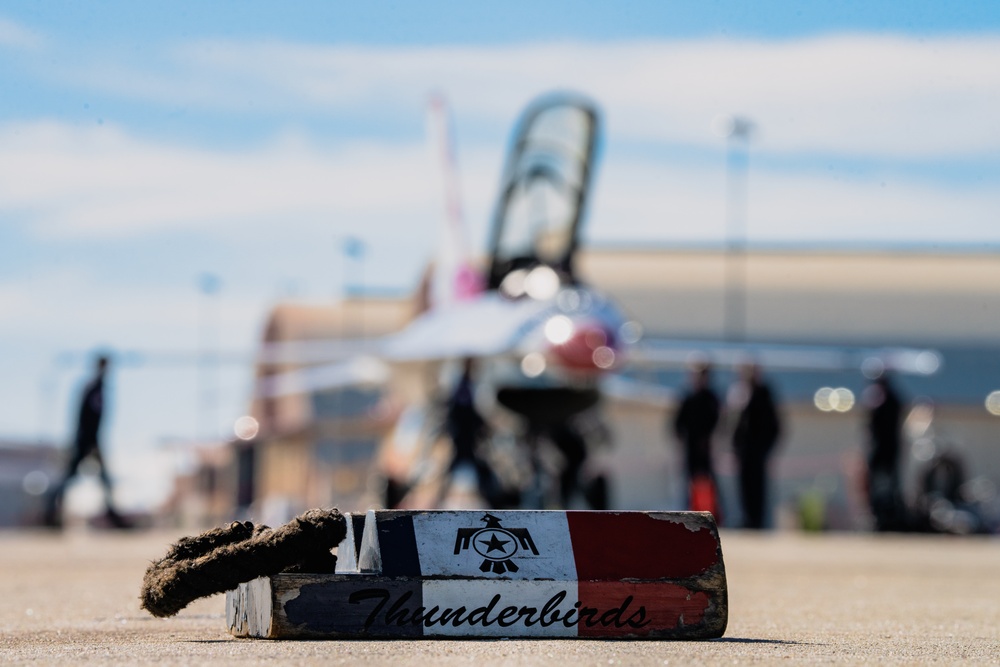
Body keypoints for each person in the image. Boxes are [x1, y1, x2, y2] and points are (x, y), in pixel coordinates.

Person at [44, 355, 127, 528]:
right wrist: (88, 441)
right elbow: (85, 418)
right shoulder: (93, 388)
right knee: (72, 477)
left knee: (101, 480)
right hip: (86, 441)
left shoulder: (99, 388)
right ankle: (50, 513)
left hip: (90, 440)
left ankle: (113, 517)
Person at [436, 359, 496, 507]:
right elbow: (459, 410)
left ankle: (491, 501)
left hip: (471, 438)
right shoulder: (458, 383)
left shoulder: (474, 384)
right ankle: (439, 502)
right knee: (453, 470)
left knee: (477, 470)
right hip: (461, 437)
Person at [729, 363, 781, 529]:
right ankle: (747, 520)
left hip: (757, 452)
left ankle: (756, 522)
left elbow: (774, 426)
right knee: (744, 488)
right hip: (743, 452)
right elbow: (737, 425)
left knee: (758, 488)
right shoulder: (740, 393)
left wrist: (766, 449)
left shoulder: (764, 393)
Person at [672, 363, 722, 519]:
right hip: (690, 447)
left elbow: (718, 422)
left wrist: (711, 441)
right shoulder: (687, 396)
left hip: (707, 448)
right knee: (689, 482)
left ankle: (714, 515)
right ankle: (689, 513)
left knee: (709, 483)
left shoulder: (712, 397)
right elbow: (678, 423)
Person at [863, 373, 905, 531]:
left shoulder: (882, 399)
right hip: (889, 449)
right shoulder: (892, 399)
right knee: (886, 484)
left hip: (883, 450)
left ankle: (886, 517)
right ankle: (882, 515)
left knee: (885, 485)